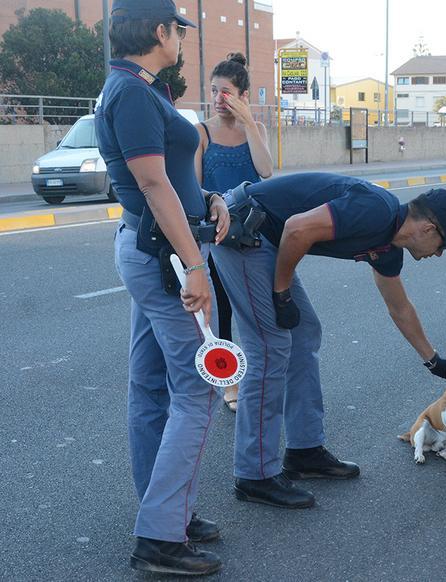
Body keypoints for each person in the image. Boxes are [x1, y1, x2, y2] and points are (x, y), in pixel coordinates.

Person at [210, 173, 446, 509]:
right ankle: (254, 474)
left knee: (304, 334)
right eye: (441, 247)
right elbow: (297, 229)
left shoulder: (388, 247)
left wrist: (434, 362)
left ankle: (304, 451)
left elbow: (400, 308)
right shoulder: (377, 209)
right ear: (429, 228)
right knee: (270, 348)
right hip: (243, 228)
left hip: (265, 237)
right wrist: (281, 292)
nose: (437, 255)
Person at [95, 0, 230, 575]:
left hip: (159, 250)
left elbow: (174, 175)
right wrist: (194, 266)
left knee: (150, 385)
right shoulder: (131, 92)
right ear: (159, 31)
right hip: (165, 258)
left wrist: (212, 201)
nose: (181, 38)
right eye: (179, 29)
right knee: (201, 386)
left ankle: (167, 509)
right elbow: (152, 182)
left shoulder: (136, 87)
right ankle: (159, 535)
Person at [194, 52, 273, 413]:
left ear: (242, 95)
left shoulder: (255, 130)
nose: (217, 99)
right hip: (217, 237)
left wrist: (251, 125)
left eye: (225, 92)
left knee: (257, 312)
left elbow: (266, 171)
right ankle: (230, 382)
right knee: (222, 310)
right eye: (213, 91)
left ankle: (261, 378)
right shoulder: (202, 132)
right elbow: (193, 188)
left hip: (254, 233)